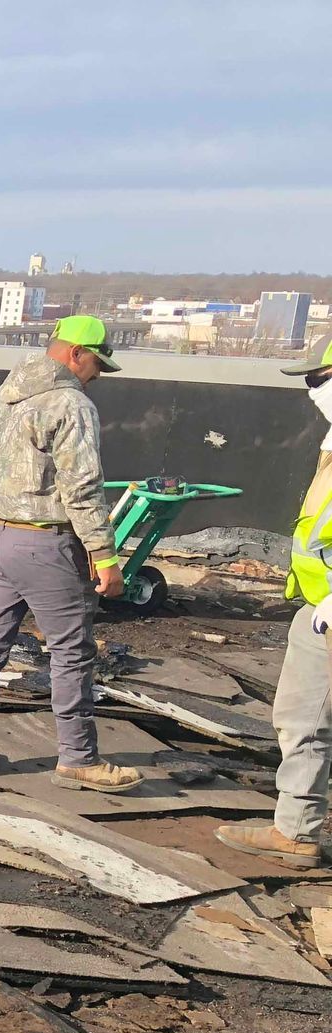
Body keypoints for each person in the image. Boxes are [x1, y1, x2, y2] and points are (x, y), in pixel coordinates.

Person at [0, 315, 141, 793]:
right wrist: (105, 555)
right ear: (75, 352)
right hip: (48, 544)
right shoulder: (71, 404)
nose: (98, 373)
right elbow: (83, 489)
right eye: (97, 362)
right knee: (72, 652)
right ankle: (78, 758)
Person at [215, 339, 332, 868]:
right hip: (318, 599)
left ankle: (295, 831)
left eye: (321, 378)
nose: (315, 392)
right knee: (301, 716)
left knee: (304, 717)